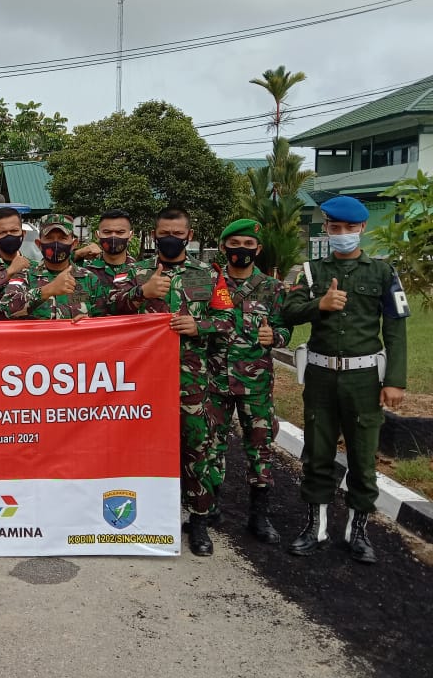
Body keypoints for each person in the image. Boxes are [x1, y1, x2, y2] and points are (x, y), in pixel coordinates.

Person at [282, 196, 408, 564]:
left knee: (363, 456)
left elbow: (396, 330)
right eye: (335, 229)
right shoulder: (309, 272)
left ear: (362, 229)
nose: (342, 235)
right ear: (326, 229)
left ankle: (358, 529)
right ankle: (315, 528)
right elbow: (288, 311)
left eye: (349, 229)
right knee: (318, 453)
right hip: (320, 375)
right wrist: (318, 305)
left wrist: (395, 380)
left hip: (364, 378)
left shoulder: (383, 273)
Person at [110, 207, 233, 557]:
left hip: (190, 380)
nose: (171, 239)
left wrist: (201, 326)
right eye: (165, 232)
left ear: (189, 237)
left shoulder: (209, 274)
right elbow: (107, 309)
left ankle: (197, 522)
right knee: (138, 451)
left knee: (197, 449)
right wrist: (142, 293)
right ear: (154, 233)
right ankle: (142, 517)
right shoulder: (134, 271)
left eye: (178, 234)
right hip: (139, 382)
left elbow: (228, 321)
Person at [205, 218, 291, 545]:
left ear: (258, 249)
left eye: (248, 245)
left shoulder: (273, 288)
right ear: (224, 246)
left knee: (259, 447)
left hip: (255, 383)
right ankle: (208, 507)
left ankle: (260, 515)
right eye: (235, 244)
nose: (241, 250)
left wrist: (276, 337)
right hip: (214, 380)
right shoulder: (209, 283)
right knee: (212, 446)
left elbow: (284, 328)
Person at [0, 214, 108, 320]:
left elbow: (103, 322)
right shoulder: (24, 275)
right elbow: (6, 309)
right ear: (39, 244)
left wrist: (88, 322)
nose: (56, 243)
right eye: (49, 238)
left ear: (74, 244)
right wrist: (47, 290)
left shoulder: (90, 279)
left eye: (62, 238)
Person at [82, 209, 137, 309]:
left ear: (130, 235)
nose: (113, 236)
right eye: (107, 232)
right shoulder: (84, 271)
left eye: (120, 232)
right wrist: (77, 254)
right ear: (97, 235)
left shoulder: (141, 272)